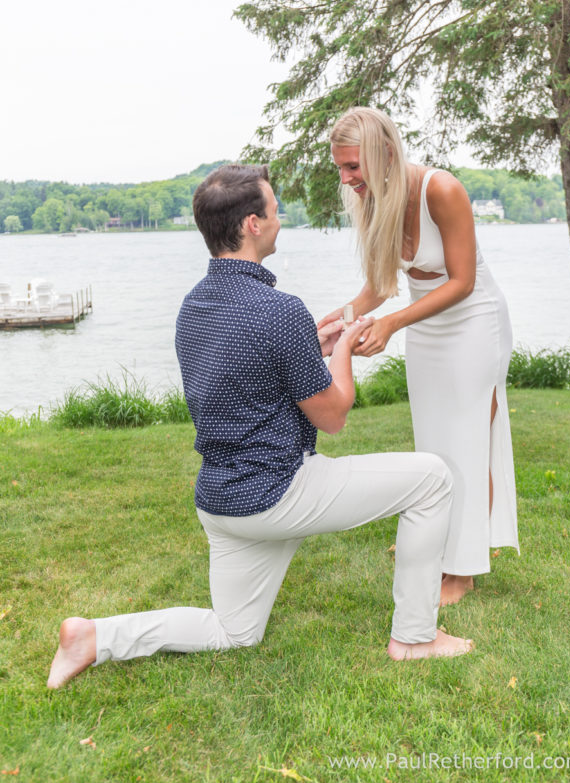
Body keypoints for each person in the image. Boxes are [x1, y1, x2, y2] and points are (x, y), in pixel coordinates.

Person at [47, 163, 472, 690]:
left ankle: (93, 637)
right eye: (274, 209)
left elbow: (247, 376)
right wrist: (341, 348)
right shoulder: (280, 311)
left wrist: (307, 351)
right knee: (432, 477)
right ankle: (414, 637)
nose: (280, 218)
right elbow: (334, 414)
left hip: (221, 503)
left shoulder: (193, 308)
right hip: (278, 494)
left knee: (234, 631)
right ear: (252, 224)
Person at [321, 107, 519, 607]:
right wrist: (331, 321)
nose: (346, 179)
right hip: (425, 325)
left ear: (384, 153)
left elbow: (462, 281)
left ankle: (463, 570)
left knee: (469, 438)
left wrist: (391, 325)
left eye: (353, 167)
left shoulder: (441, 190)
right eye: (341, 168)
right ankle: (441, 541)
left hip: (474, 320)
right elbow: (380, 286)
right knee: (436, 442)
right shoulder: (372, 199)